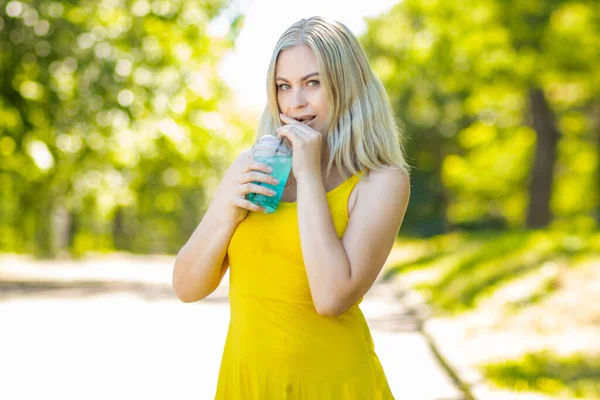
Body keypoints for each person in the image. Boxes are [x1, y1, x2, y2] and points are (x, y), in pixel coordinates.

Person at [172, 16, 411, 399]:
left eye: (312, 83)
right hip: (247, 385)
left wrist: (309, 174)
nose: (295, 101)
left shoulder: (381, 181)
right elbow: (186, 287)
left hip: (336, 386)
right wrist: (226, 215)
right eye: (284, 86)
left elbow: (332, 298)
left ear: (347, 85)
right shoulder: (253, 167)